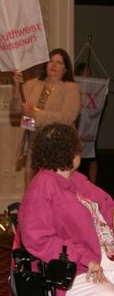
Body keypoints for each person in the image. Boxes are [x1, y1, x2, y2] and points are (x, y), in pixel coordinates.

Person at [18, 123, 114, 295]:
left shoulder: (76, 179)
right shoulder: (42, 187)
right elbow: (38, 239)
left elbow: (108, 207)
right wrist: (84, 258)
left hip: (103, 259)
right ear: (70, 152)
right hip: (74, 272)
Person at [11, 48, 81, 178]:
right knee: (34, 187)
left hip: (58, 147)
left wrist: (35, 114)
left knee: (54, 188)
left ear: (65, 69)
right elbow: (16, 110)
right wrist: (16, 86)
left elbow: (67, 117)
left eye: (59, 63)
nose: (53, 65)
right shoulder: (33, 84)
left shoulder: (71, 88)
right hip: (34, 145)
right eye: (50, 61)